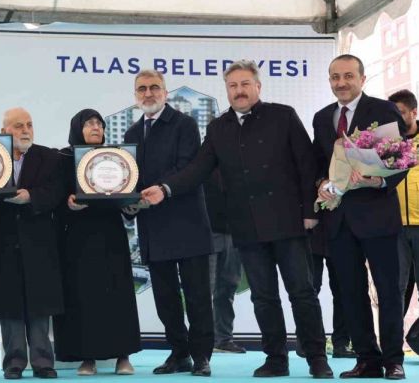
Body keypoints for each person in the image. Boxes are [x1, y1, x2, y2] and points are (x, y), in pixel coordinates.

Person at [141, 60, 333, 379]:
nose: (239, 91)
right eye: (233, 86)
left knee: (302, 292)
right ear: (227, 90)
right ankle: (276, 359)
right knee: (263, 297)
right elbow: (197, 169)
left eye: (245, 84)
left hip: (288, 222)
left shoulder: (283, 115)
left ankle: (317, 358)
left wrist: (310, 212)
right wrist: (165, 188)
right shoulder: (219, 128)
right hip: (246, 226)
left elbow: (307, 163)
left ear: (258, 86)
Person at [313, 54, 406, 380]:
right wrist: (321, 183)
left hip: (378, 216)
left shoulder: (383, 110)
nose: (341, 83)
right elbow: (318, 162)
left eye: (348, 76)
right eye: (335, 77)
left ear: (362, 79)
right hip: (339, 220)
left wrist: (377, 180)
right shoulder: (322, 118)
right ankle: (367, 359)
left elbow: (398, 161)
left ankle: (393, 361)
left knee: (388, 291)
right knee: (350, 293)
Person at [123, 70, 214, 377]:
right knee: (165, 298)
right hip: (153, 226)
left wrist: (161, 189)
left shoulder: (185, 124)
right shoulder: (131, 134)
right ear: (136, 95)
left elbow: (187, 168)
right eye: (142, 89)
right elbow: (130, 179)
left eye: (154, 88)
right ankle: (179, 353)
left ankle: (201, 356)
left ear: (165, 92)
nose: (148, 93)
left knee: (197, 296)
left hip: (188, 224)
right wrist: (127, 201)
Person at [0, 108, 65, 380]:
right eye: (18, 126)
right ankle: (14, 362)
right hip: (3, 243)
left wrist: (30, 196)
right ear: (4, 131)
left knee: (40, 305)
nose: (25, 130)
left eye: (29, 125)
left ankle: (43, 362)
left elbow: (56, 191)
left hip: (39, 243)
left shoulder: (49, 157)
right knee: (9, 306)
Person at [52, 109, 141, 376]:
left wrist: (131, 206)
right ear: (77, 128)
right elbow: (54, 198)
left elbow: (128, 192)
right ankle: (86, 357)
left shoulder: (116, 157)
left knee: (117, 295)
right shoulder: (63, 159)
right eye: (89, 123)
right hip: (77, 239)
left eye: (99, 124)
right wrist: (67, 204)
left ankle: (123, 356)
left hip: (110, 235)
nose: (96, 127)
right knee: (82, 297)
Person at [203, 171, 246, 354]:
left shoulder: (240, 162)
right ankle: (202, 340)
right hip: (207, 231)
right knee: (204, 289)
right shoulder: (201, 161)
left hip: (235, 231)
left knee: (228, 287)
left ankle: (223, 339)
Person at [388, 89, 419, 320]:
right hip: (394, 226)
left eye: (401, 112)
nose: (396, 118)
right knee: (394, 287)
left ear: (413, 112)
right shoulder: (386, 141)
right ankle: (393, 339)